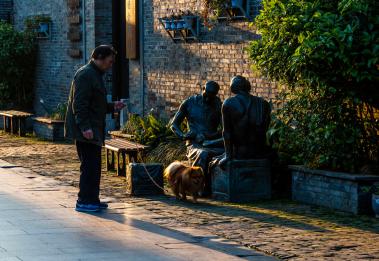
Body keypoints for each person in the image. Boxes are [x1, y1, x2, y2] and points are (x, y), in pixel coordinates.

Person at [64, 45, 125, 212]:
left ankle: (92, 199)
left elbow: (96, 104)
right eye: (109, 61)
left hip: (94, 128)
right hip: (87, 130)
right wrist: (85, 127)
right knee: (89, 166)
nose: (111, 65)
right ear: (99, 57)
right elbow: (80, 104)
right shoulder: (86, 75)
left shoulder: (96, 75)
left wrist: (113, 106)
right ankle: (84, 201)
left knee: (94, 166)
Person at [169, 81, 224, 196]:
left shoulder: (218, 105)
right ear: (202, 89)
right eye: (207, 95)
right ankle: (199, 188)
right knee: (203, 154)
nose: (208, 99)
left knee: (227, 150)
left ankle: (221, 188)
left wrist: (209, 136)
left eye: (212, 96)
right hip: (194, 144)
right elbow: (174, 124)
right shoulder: (189, 103)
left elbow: (225, 130)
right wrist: (183, 135)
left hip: (211, 142)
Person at [218, 75, 271, 169]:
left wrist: (228, 156)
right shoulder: (263, 103)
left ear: (232, 87)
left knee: (214, 160)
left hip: (239, 153)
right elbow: (265, 128)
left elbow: (227, 133)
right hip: (260, 152)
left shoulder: (229, 103)